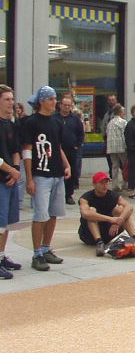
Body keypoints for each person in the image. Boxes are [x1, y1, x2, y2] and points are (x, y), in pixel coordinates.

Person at [23, 86, 72, 271]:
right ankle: (36, 253)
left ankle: (46, 248)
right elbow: (27, 149)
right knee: (40, 214)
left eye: (54, 99)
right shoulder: (31, 122)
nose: (54, 102)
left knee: (53, 213)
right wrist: (29, 178)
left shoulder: (56, 122)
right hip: (40, 173)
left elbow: (57, 146)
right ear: (42, 101)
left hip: (56, 173)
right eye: (51, 99)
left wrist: (66, 165)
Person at [78, 171, 135, 256]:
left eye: (106, 182)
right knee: (92, 212)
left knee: (120, 210)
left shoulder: (112, 195)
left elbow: (129, 207)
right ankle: (99, 242)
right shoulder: (86, 197)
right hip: (89, 234)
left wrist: (119, 220)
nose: (105, 185)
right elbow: (86, 214)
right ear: (94, 184)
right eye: (101, 183)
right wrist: (111, 219)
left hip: (109, 231)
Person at [0, 85, 23, 279]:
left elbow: (16, 150)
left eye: (12, 99)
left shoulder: (11, 124)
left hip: (9, 179)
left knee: (6, 222)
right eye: (7, 99)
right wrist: (10, 171)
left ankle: (1, 256)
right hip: (1, 180)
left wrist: (15, 170)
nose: (11, 103)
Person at [54, 96, 85, 205]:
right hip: (57, 150)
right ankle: (57, 195)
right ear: (60, 105)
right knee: (57, 172)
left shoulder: (75, 119)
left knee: (71, 172)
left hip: (71, 150)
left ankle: (69, 195)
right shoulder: (54, 117)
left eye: (69, 105)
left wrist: (77, 145)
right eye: (65, 105)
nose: (67, 107)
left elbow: (81, 133)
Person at [106, 104, 128, 192]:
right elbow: (126, 134)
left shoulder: (110, 123)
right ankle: (125, 183)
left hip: (111, 147)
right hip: (121, 147)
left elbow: (107, 133)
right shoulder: (123, 122)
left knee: (114, 166)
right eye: (123, 111)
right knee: (125, 166)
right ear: (120, 112)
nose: (124, 113)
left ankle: (114, 185)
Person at [101, 94, 118, 178]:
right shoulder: (107, 113)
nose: (111, 102)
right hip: (108, 140)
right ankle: (112, 175)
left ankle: (126, 178)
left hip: (117, 140)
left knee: (120, 162)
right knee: (109, 159)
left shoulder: (120, 113)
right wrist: (104, 136)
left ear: (116, 101)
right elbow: (103, 125)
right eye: (110, 100)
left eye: (113, 100)